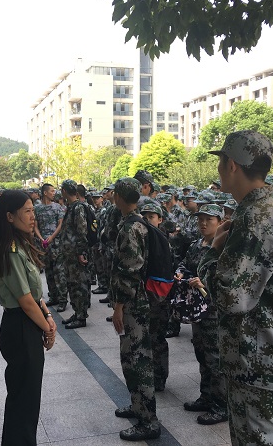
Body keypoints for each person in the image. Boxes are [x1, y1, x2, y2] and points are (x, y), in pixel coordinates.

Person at [198, 130, 273, 446]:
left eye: (221, 162)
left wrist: (211, 252)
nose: (219, 170)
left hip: (261, 361)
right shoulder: (271, 208)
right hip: (265, 356)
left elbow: (230, 297)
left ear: (232, 165)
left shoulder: (257, 216)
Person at [0, 189, 56, 446]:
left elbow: (35, 296)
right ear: (9, 216)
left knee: (28, 397)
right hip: (19, 326)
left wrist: (47, 316)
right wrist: (47, 328)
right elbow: (26, 301)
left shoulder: (21, 245)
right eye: (27, 211)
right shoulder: (10, 250)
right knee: (23, 399)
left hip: (28, 322)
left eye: (33, 211)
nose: (32, 217)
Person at [111, 177, 161, 441]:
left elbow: (130, 270)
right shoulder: (137, 222)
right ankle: (137, 405)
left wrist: (118, 307)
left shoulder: (131, 227)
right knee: (130, 356)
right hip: (136, 300)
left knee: (137, 359)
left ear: (119, 196)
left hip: (134, 302)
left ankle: (148, 421)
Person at [177, 204, 228, 425]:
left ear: (220, 222)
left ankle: (221, 406)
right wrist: (181, 273)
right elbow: (184, 264)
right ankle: (206, 397)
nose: (203, 224)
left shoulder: (224, 247)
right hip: (198, 308)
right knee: (202, 353)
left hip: (215, 310)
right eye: (200, 220)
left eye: (209, 220)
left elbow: (229, 276)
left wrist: (205, 281)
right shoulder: (197, 245)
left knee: (215, 358)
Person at [59, 179, 91, 329]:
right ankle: (77, 312)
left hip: (76, 254)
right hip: (69, 254)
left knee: (79, 285)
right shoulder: (71, 207)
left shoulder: (78, 208)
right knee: (72, 284)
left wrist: (80, 252)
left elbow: (82, 231)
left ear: (64, 191)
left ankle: (81, 316)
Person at [34, 183, 68, 312]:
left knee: (59, 272)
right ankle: (53, 296)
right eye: (52, 191)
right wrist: (41, 238)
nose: (54, 193)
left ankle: (63, 299)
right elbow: (35, 226)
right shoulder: (37, 208)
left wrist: (52, 237)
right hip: (44, 245)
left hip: (56, 244)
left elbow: (60, 224)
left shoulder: (57, 207)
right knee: (48, 272)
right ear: (45, 193)